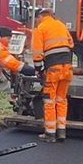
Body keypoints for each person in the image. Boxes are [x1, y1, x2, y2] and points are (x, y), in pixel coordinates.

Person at [31, 8, 74, 143]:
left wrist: (38, 70)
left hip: (53, 69)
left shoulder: (41, 28)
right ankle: (61, 131)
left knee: (49, 100)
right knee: (61, 100)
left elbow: (37, 52)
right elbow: (71, 44)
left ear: (40, 16)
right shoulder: (61, 25)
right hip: (67, 68)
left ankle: (50, 133)